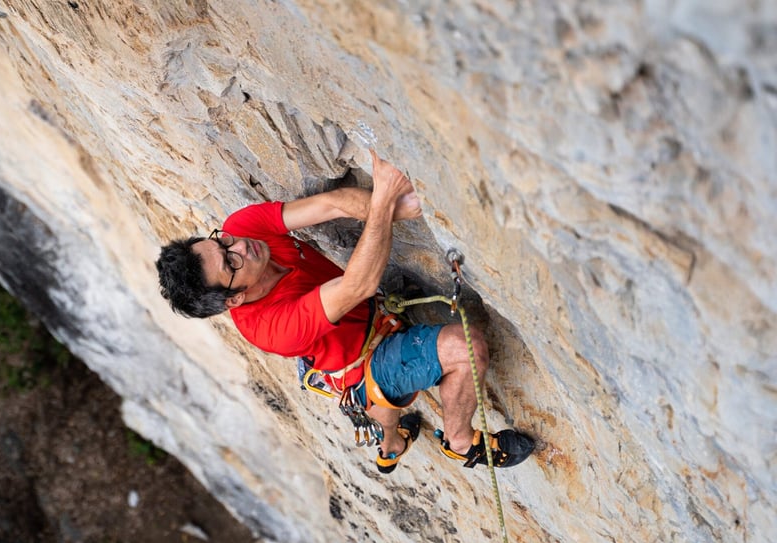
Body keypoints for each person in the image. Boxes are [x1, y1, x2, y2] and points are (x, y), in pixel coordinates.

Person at [156, 150, 533, 473]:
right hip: (360, 353)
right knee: (463, 349)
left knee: (378, 402)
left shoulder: (241, 230)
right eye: (230, 263)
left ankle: (390, 447)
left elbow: (331, 204)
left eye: (221, 241)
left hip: (355, 335)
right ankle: (461, 441)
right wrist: (384, 198)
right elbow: (358, 285)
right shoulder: (269, 329)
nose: (240, 247)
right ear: (233, 299)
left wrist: (396, 208)